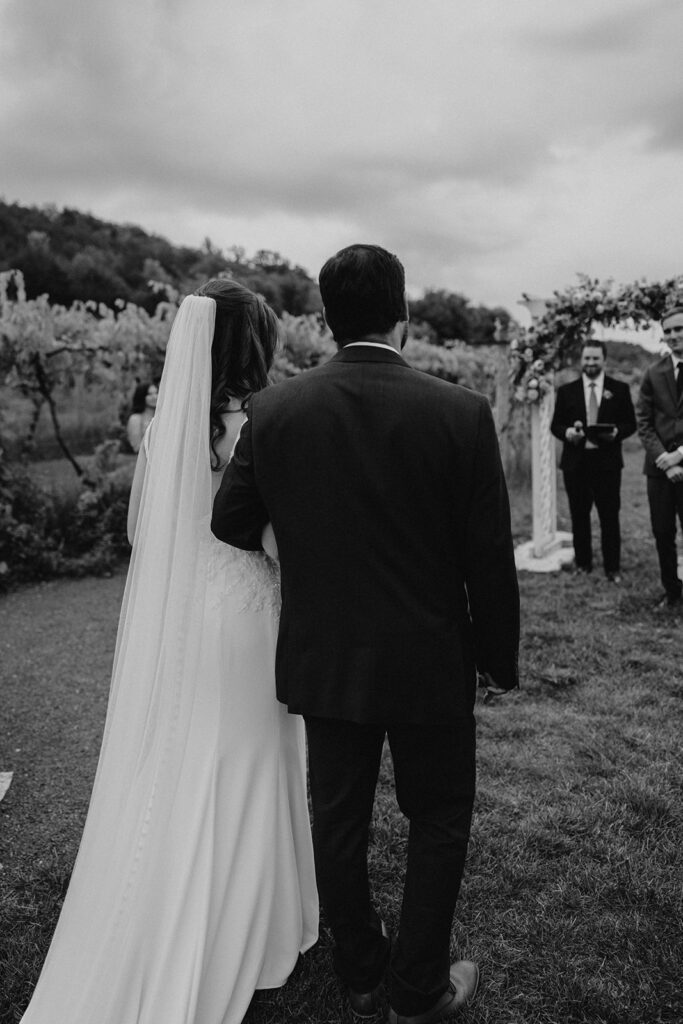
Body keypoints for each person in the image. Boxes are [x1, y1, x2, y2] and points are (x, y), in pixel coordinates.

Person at [211, 244, 520, 1024]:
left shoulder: (275, 411)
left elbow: (231, 521)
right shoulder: (459, 412)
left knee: (337, 816)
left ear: (322, 319)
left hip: (327, 655)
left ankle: (358, 969)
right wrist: (496, 660)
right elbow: (488, 556)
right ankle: (417, 989)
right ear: (404, 319)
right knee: (439, 817)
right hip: (429, 657)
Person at [20, 281, 318, 1024]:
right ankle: (259, 923)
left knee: (187, 757)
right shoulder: (258, 423)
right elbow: (274, 538)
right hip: (247, 609)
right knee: (255, 757)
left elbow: (138, 536)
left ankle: (179, 894)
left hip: (187, 606)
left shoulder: (165, 425)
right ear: (256, 344)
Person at [550, 340, 636, 582]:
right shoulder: (567, 391)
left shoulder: (619, 389)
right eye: (586, 358)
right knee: (579, 515)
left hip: (607, 464)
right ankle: (583, 563)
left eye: (595, 358)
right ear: (581, 360)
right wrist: (568, 433)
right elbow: (555, 425)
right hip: (575, 464)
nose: (590, 363)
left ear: (604, 360)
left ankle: (612, 568)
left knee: (609, 516)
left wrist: (617, 433)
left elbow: (630, 423)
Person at [636, 306, 683, 609]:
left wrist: (680, 455)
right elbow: (643, 422)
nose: (675, 336)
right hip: (659, 471)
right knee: (663, 533)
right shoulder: (653, 373)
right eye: (669, 331)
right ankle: (673, 593)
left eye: (680, 329)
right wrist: (665, 459)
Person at [125, 379, 158, 452]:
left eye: (156, 393)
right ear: (142, 396)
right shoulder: (135, 419)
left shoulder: (161, 417)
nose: (155, 397)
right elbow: (137, 447)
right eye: (149, 394)